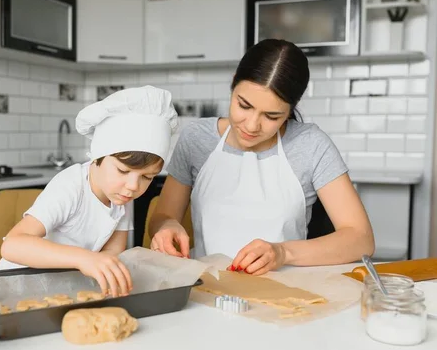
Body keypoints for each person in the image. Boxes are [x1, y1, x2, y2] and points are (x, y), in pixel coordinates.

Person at [147, 39, 375, 276]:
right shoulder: (196, 139)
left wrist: (283, 253)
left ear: (290, 110)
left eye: (272, 116)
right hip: (207, 289)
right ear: (234, 83)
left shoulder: (310, 145)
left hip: (285, 293)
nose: (252, 125)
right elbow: (162, 216)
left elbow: (361, 239)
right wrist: (167, 226)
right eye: (244, 105)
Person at [0, 85, 179, 297]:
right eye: (123, 170)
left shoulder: (121, 195)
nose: (133, 186)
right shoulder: (71, 186)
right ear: (98, 156)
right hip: (14, 288)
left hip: (59, 290)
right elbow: (12, 245)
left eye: (147, 177)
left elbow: (114, 252)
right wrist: (84, 258)